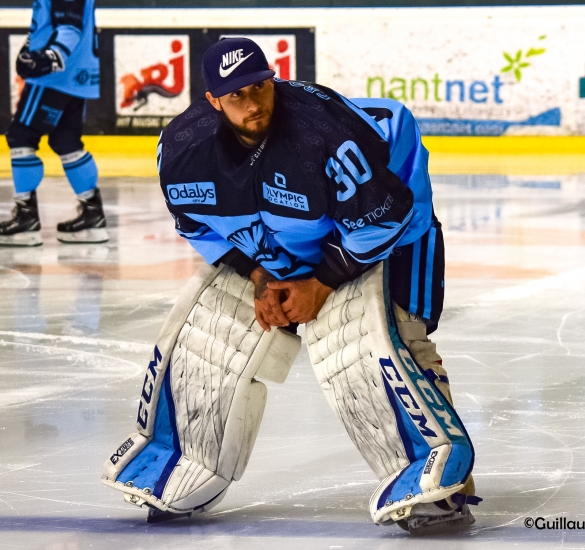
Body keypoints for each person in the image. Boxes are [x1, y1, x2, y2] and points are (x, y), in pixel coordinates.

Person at [146, 37, 478, 533]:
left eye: (260, 87)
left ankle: (443, 485)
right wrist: (260, 277)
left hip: (392, 215)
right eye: (237, 95)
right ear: (213, 100)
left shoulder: (323, 137)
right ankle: (181, 460)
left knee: (391, 341)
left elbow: (381, 222)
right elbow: (197, 225)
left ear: (272, 79)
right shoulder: (181, 151)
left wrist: (319, 285)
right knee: (213, 339)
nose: (253, 103)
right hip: (292, 236)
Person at [0, 0, 106, 247]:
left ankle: (26, 216)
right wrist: (31, 47)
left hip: (55, 78)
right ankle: (92, 212)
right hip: (77, 76)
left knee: (21, 136)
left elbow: (70, 26)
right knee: (66, 140)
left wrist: (51, 56)